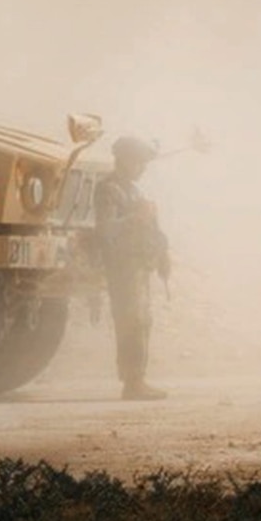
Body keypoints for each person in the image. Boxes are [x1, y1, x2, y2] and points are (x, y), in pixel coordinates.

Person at [95, 135, 171, 400]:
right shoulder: (108, 190)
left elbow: (150, 228)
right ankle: (132, 382)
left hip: (139, 265)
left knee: (142, 321)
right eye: (139, 162)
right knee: (131, 321)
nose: (143, 168)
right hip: (123, 266)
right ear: (125, 160)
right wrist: (135, 217)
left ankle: (138, 378)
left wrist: (162, 255)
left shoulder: (134, 191)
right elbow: (105, 229)